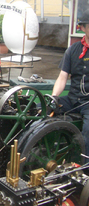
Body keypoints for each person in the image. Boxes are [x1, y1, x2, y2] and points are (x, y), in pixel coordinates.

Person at [52, 9, 89, 159]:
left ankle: (83, 169)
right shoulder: (73, 50)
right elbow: (62, 77)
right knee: (42, 109)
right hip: (73, 99)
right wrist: (53, 97)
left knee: (88, 131)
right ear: (83, 28)